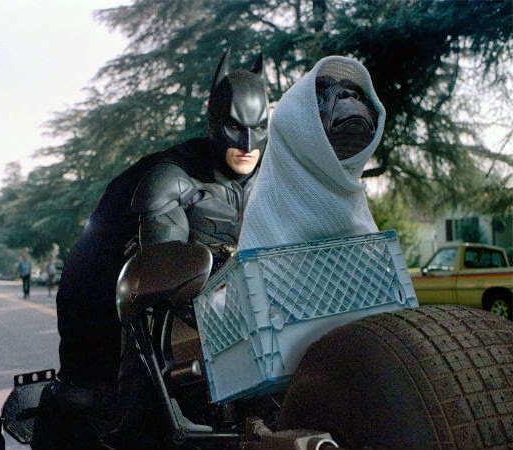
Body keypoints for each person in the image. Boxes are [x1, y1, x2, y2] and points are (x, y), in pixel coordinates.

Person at [33, 48, 270, 449]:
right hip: (175, 313)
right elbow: (164, 271)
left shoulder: (276, 175)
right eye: (235, 127)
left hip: (257, 313)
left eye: (258, 127)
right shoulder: (170, 178)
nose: (247, 143)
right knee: (152, 411)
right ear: (215, 124)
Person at [239, 55, 386, 250]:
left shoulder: (359, 218)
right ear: (292, 130)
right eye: (318, 100)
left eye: (358, 96)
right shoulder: (265, 218)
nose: (349, 96)